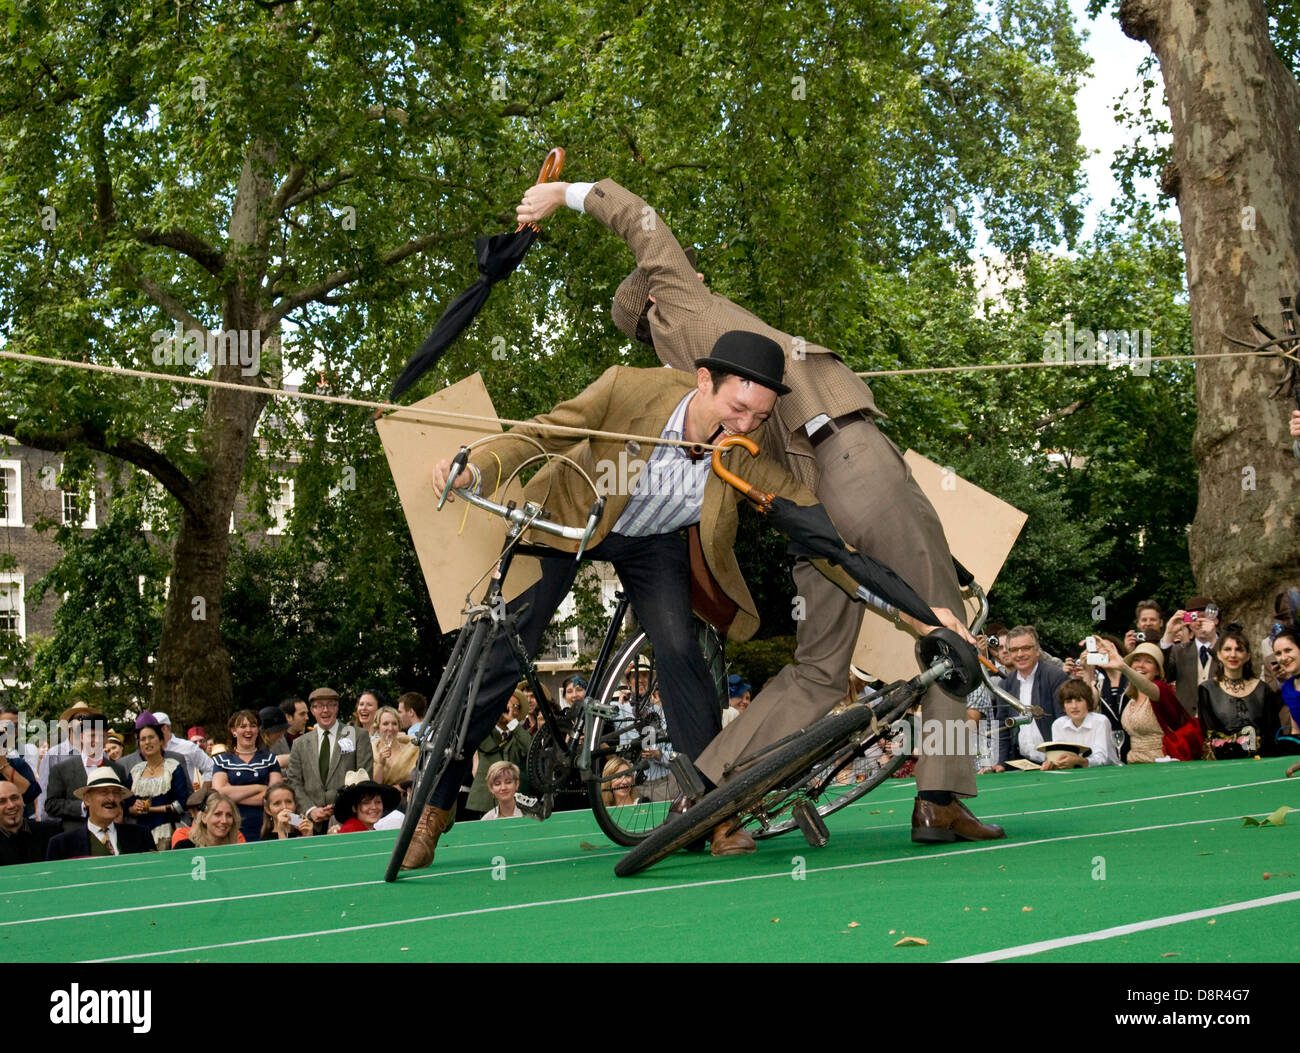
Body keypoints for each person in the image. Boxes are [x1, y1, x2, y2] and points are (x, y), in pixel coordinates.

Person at [518, 176, 995, 846]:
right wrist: (562, 195)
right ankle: (940, 798)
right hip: (848, 460)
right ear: (655, 295)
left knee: (818, 671)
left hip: (802, 509)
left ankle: (709, 787)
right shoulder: (685, 305)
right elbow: (635, 214)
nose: (697, 269)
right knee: (946, 631)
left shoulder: (685, 380)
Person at [401, 334, 952, 869]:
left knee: (681, 652)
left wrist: (918, 614)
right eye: (737, 409)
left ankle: (712, 808)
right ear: (705, 381)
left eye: (758, 418)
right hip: (574, 519)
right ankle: (436, 800)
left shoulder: (746, 456)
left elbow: (828, 543)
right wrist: (480, 465)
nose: (743, 427)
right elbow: (549, 432)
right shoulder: (628, 389)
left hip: (655, 542)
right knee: (502, 650)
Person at [1097, 640, 1203, 763]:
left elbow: (1146, 687)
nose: (1141, 665)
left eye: (1148, 661)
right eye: (1137, 660)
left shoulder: (1160, 689)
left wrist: (1123, 667)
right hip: (1133, 762)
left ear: (1157, 671)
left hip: (1160, 761)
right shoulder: (1130, 697)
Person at [286, 687, 374, 833]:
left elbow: (364, 778)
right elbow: (294, 781)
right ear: (312, 710)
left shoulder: (356, 735)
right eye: (319, 706)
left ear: (337, 707)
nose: (325, 710)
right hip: (310, 824)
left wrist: (339, 806)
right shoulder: (300, 743)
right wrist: (311, 809)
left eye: (330, 705)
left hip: (346, 821)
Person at [1197, 630, 1286, 759]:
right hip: (1222, 761)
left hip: (1261, 760)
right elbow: (1209, 735)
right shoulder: (1207, 690)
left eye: (1239, 650)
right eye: (1227, 649)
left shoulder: (1262, 689)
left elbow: (1273, 733)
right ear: (1219, 654)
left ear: (1248, 656)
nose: (1233, 655)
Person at [994, 626, 1071, 770]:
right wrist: (1001, 763)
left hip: (1055, 763)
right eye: (1014, 650)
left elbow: (1064, 721)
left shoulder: (1055, 677)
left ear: (1037, 651)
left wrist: (1057, 758)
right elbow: (1003, 728)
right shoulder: (1005, 685)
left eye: (1025, 648)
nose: (1020, 654)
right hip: (1021, 765)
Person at [44, 714, 132, 833]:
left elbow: (126, 801)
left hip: (112, 833)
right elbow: (51, 805)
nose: (96, 741)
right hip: (75, 834)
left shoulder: (117, 769)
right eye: (91, 736)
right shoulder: (62, 769)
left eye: (101, 736)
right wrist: (82, 806)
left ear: (106, 739)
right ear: (81, 737)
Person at [46, 767, 156, 859]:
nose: (111, 798)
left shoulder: (140, 835)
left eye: (116, 793)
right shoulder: (62, 844)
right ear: (87, 799)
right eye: (104, 792)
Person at [211, 709, 283, 842]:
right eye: (243, 726)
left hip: (264, 823)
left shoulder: (270, 759)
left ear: (258, 730)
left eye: (253, 726)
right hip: (231, 823)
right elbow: (219, 793)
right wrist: (260, 788)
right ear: (233, 731)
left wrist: (232, 795)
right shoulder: (222, 760)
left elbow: (275, 797)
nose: (248, 730)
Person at [126, 714, 191, 849]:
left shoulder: (173, 767)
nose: (147, 742)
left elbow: (181, 805)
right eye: (143, 739)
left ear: (161, 741)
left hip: (168, 831)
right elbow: (128, 806)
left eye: (151, 737)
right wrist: (135, 808)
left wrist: (150, 809)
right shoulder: (135, 771)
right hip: (142, 832)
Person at [466, 693, 533, 818]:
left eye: (515, 707)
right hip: (486, 800)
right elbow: (485, 745)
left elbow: (531, 749)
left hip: (516, 801)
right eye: (505, 705)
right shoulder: (484, 731)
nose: (508, 709)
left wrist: (513, 724)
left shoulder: (519, 734)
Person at [1038, 680, 1121, 769]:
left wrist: (1078, 761)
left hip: (1109, 771)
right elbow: (1060, 755)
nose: (1074, 706)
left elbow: (1102, 758)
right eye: (1068, 701)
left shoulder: (1100, 721)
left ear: (1088, 703)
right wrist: (1053, 763)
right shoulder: (1058, 724)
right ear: (1063, 707)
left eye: (1079, 700)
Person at [1160, 596, 1221, 719]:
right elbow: (1163, 674)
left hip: (1220, 721)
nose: (1198, 622)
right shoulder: (1179, 651)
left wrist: (1213, 639)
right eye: (1193, 617)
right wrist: (1168, 635)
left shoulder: (1229, 647)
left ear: (1215, 619)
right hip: (1188, 722)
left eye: (1203, 617)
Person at [0, 780, 61, 866]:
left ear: (22, 801)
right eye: (2, 801)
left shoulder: (51, 832)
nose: (11, 805)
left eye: (14, 798)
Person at [152, 711, 214, 790]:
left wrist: (202, 792)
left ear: (165, 728)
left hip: (185, 800)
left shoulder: (187, 746)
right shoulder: (149, 750)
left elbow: (210, 767)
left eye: (152, 729)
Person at [332, 771, 400, 832]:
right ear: (354, 808)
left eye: (378, 802)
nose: (374, 807)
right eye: (366, 803)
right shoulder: (351, 830)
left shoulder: (368, 830)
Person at [173, 792, 244, 849]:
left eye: (229, 815)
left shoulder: (238, 849)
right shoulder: (185, 848)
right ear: (204, 818)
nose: (224, 821)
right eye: (217, 814)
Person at [371, 705, 419, 787]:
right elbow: (374, 787)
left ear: (399, 726)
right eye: (385, 724)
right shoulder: (370, 752)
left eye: (394, 724)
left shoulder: (414, 750)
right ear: (378, 728)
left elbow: (418, 780)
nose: (390, 728)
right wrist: (380, 764)